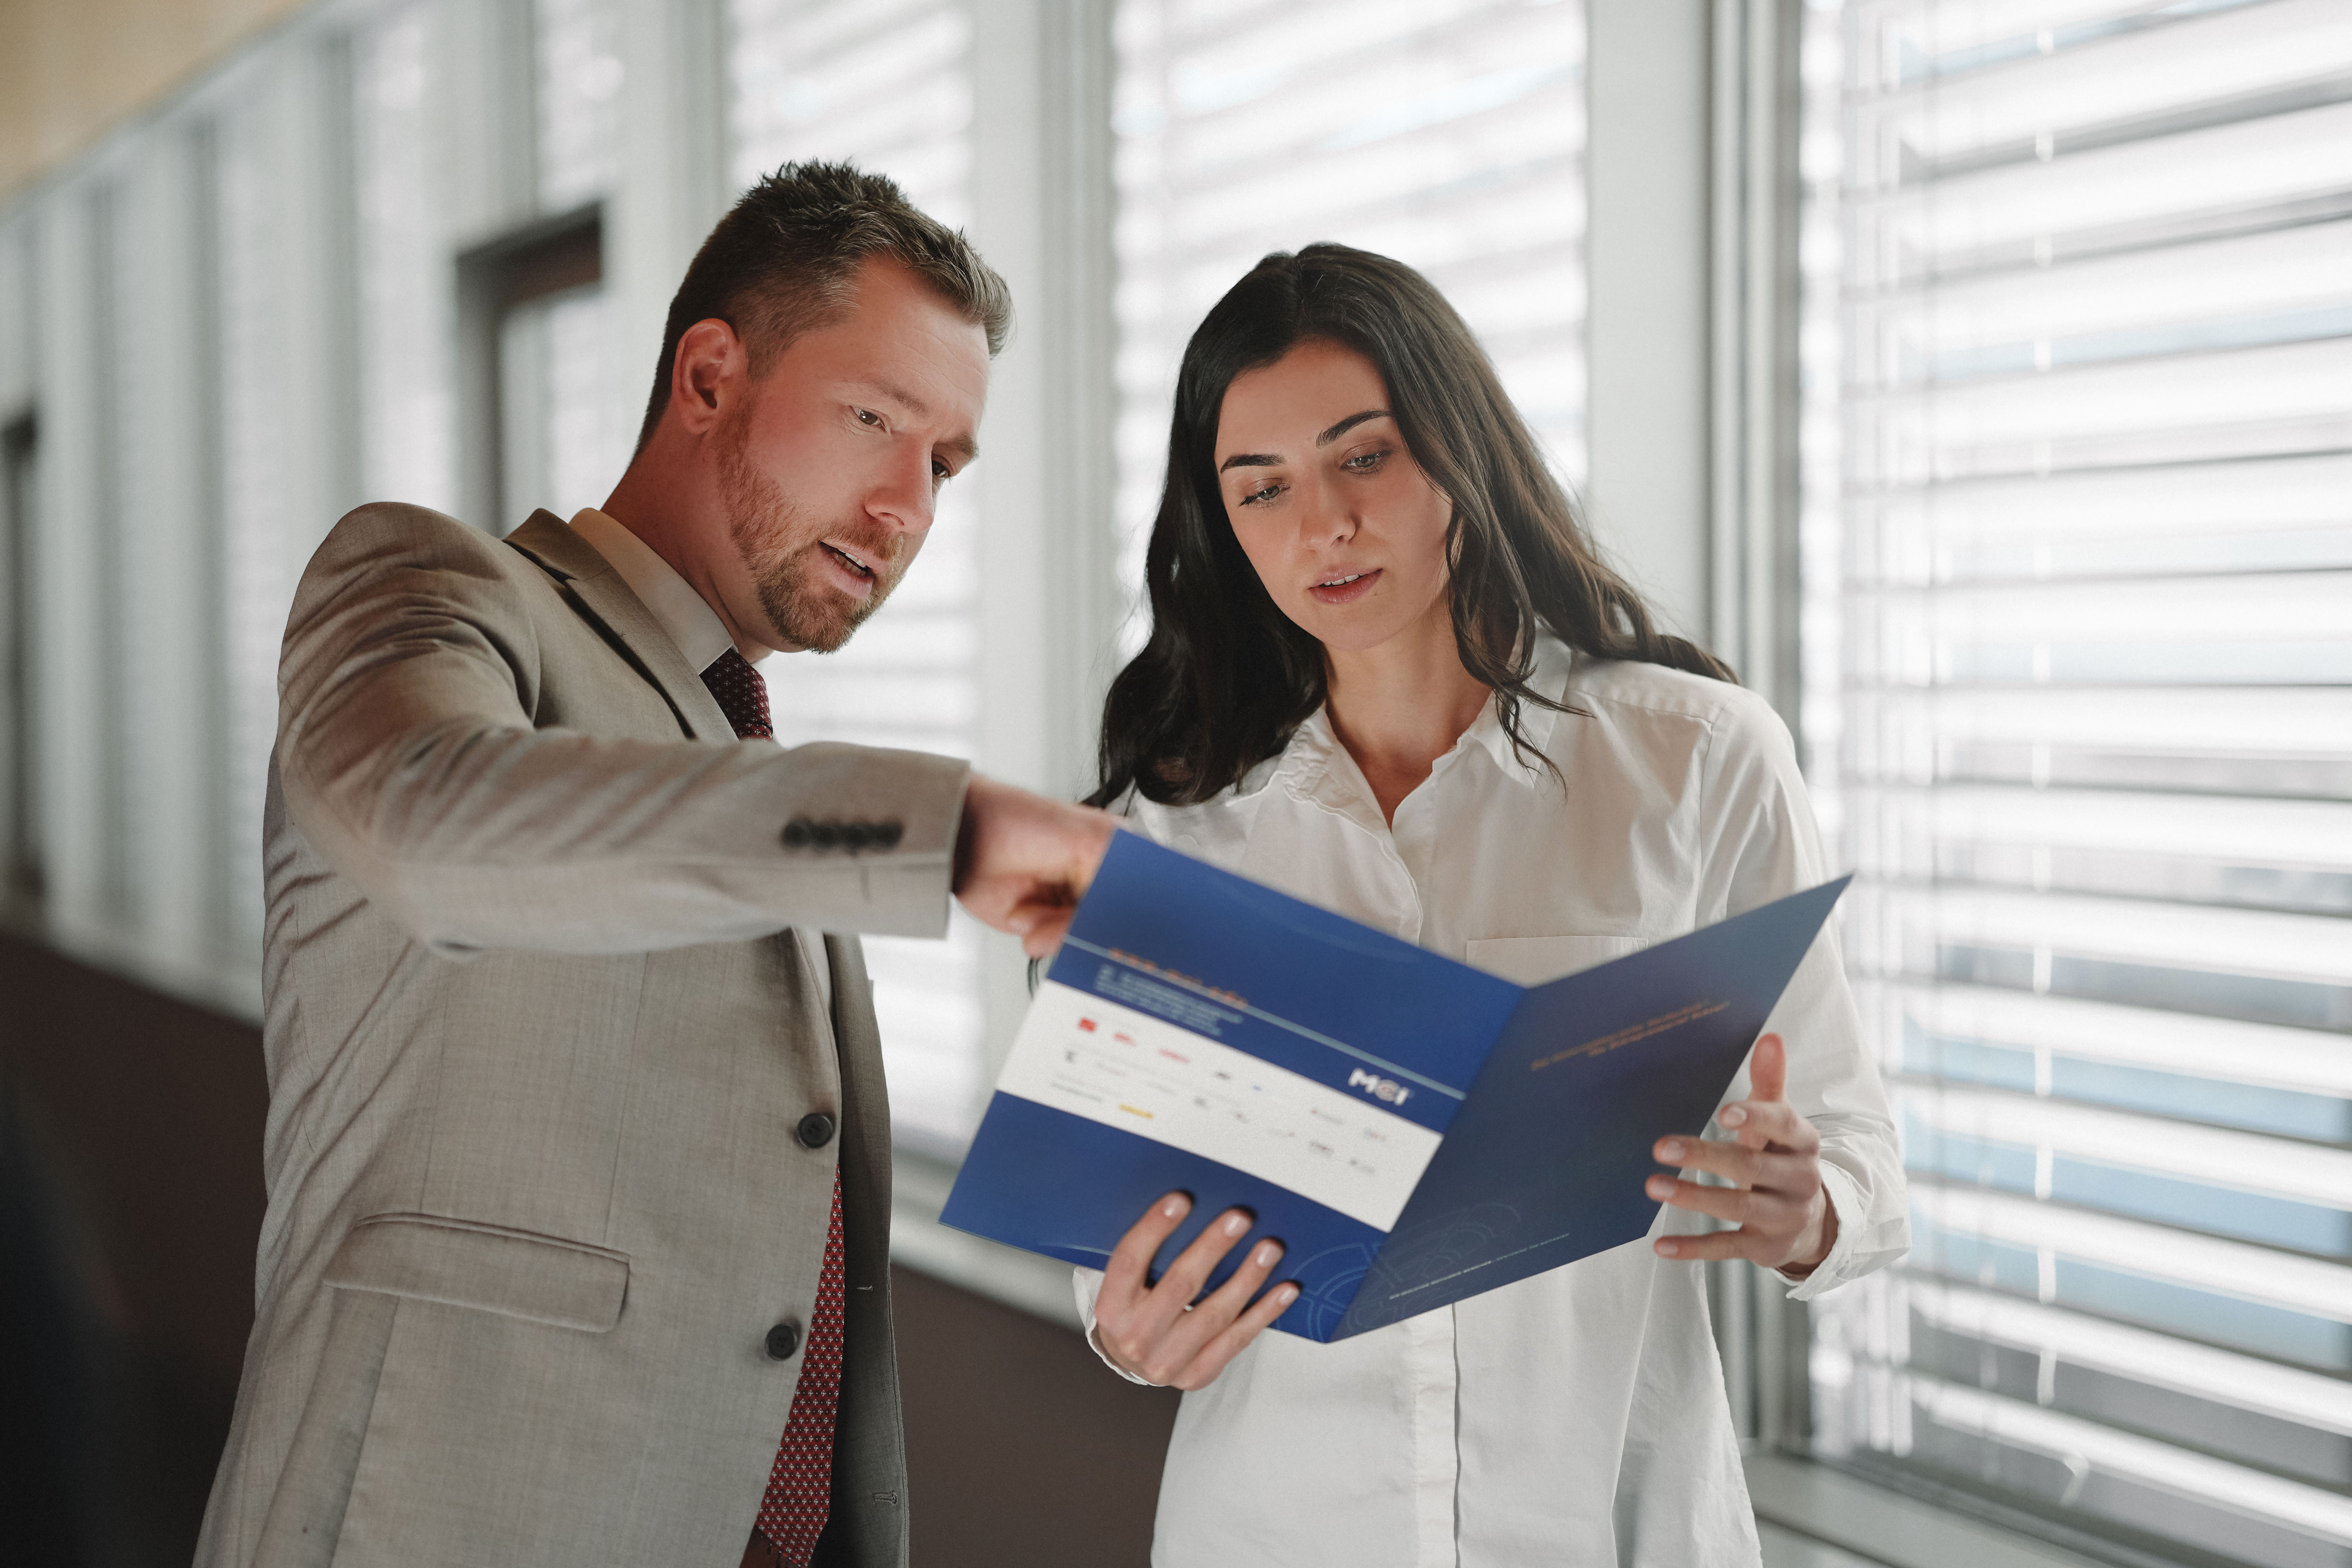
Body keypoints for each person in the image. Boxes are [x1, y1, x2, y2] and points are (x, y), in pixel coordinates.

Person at [195, 163, 1114, 1568]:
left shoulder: (740, 749)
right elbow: (436, 819)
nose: (905, 506)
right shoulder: (433, 588)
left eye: (943, 464)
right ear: (708, 377)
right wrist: (950, 836)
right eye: (875, 420)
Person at [1075, 244, 1909, 1566]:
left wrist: (1805, 1210)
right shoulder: (1178, 828)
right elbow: (1113, 1228)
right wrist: (1125, 1325)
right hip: (1275, 1528)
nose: (1322, 525)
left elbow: (1855, 1148)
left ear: (1458, 449)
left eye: (1365, 457)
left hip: (1612, 1527)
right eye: (1262, 488)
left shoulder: (1696, 759)